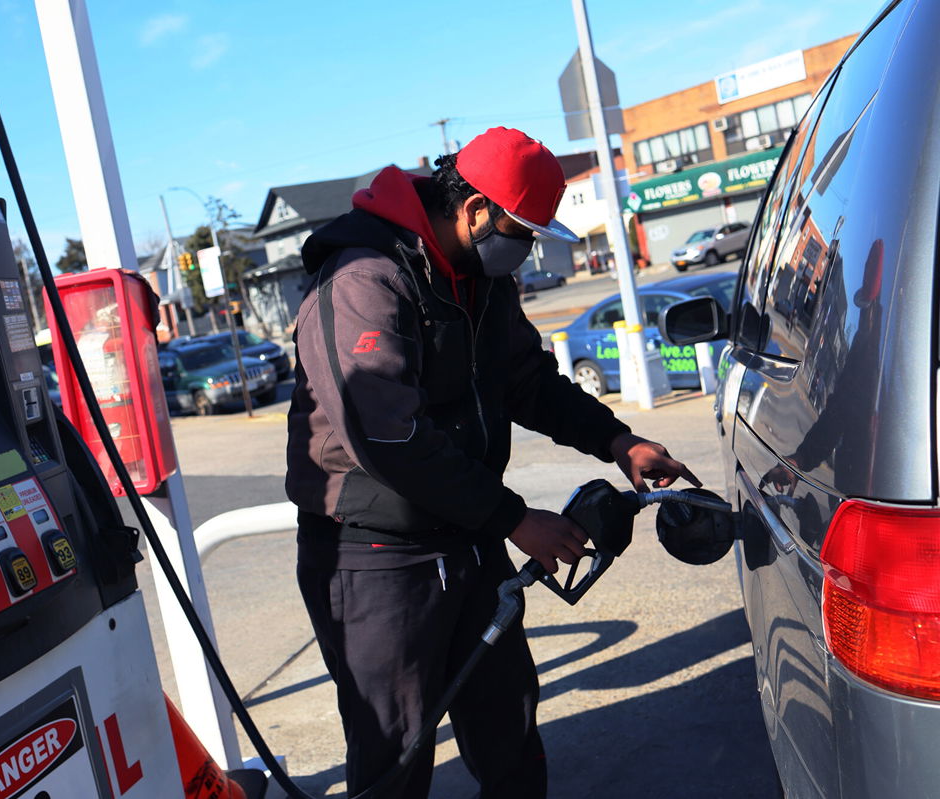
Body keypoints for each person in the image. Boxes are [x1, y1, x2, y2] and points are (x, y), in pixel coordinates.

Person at [284, 126, 699, 798]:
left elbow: (527, 381)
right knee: (396, 756)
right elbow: (387, 434)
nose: (527, 251)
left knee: (509, 733)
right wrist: (511, 517)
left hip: (468, 542)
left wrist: (618, 440)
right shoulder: (366, 278)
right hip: (379, 559)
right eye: (521, 232)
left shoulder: (481, 280)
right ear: (474, 210)